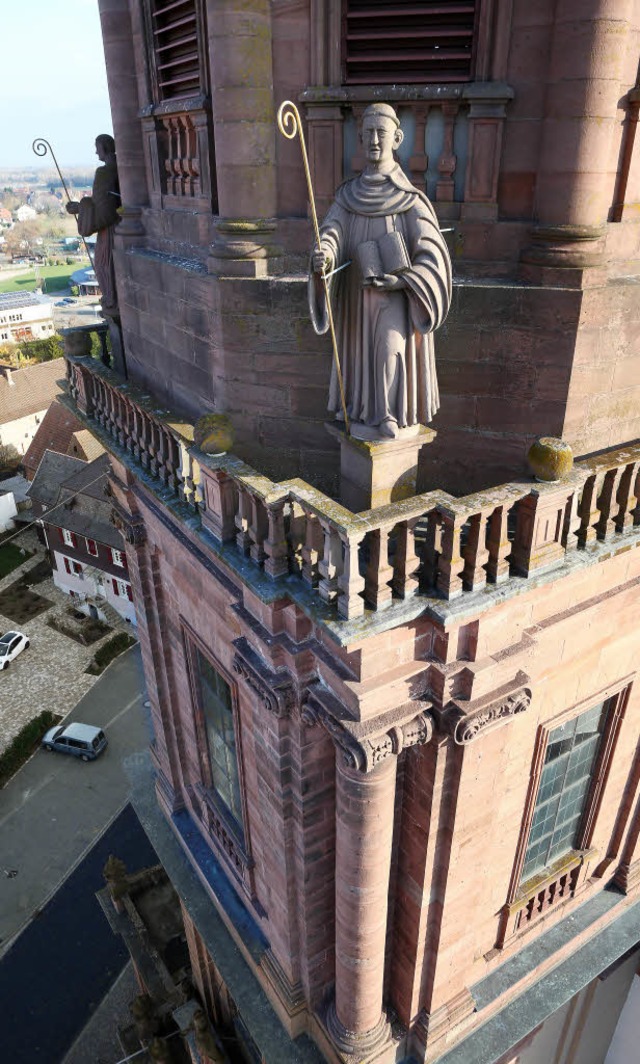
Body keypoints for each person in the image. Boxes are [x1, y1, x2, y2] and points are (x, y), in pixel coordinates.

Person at [309, 103, 452, 439]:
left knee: (391, 350)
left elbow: (432, 251)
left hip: (397, 300)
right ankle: (363, 410)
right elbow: (332, 232)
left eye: (381, 132)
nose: (374, 139)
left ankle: (390, 412)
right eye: (368, 133)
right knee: (359, 355)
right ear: (360, 139)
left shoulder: (409, 198)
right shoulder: (347, 196)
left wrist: (403, 279)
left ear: (397, 138)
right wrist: (324, 257)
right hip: (357, 299)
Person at [66, 134, 120, 316]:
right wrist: (82, 208)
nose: (96, 151)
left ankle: (111, 300)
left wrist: (81, 207)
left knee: (103, 265)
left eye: (97, 147)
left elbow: (104, 213)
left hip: (110, 232)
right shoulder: (123, 168)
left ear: (104, 148)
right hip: (122, 227)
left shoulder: (104, 172)